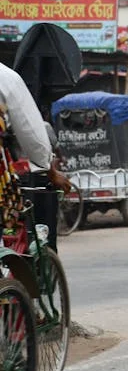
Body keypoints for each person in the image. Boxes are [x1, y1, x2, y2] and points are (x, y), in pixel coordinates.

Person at [0, 62, 70, 251]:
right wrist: (50, 171)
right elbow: (32, 133)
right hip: (9, 181)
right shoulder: (6, 78)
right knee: (12, 222)